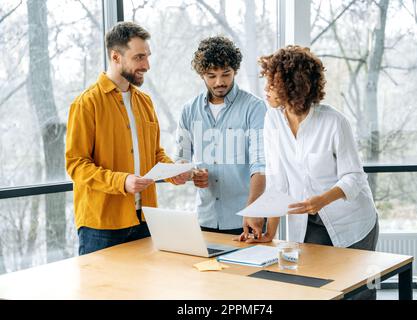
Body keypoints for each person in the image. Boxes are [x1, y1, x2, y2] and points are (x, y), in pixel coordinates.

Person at [243, 45, 379, 299]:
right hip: (309, 223)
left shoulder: (334, 122)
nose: (266, 89)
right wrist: (270, 231)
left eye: (272, 83)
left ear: (292, 86)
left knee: (357, 293)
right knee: (314, 289)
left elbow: (355, 177)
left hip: (352, 223)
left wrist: (322, 199)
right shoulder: (272, 119)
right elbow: (277, 180)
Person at [65, 22, 189, 255]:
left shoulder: (145, 102)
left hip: (145, 219)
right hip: (101, 226)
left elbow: (154, 153)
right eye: (139, 57)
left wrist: (174, 172)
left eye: (147, 56)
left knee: (143, 291)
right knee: (102, 292)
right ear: (116, 57)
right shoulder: (86, 103)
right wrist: (121, 182)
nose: (147, 65)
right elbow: (76, 165)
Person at [175, 36, 267, 237]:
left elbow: (261, 165)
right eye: (211, 75)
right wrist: (191, 173)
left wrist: (253, 210)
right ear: (202, 75)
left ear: (235, 71)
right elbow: (181, 159)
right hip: (205, 218)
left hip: (245, 218)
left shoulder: (255, 108)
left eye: (226, 74)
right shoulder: (189, 110)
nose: (219, 82)